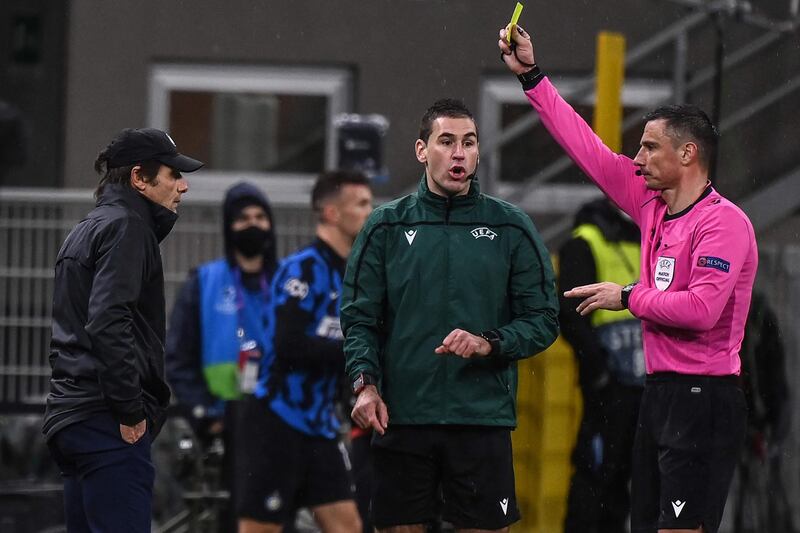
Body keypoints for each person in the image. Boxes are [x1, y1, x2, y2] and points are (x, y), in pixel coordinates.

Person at [498, 24, 757, 533]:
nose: (636, 159)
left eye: (649, 148)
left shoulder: (724, 223)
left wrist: (626, 296)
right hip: (655, 393)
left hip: (703, 398)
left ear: (688, 155)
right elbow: (587, 149)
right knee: (641, 523)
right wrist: (532, 77)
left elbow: (701, 310)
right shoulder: (649, 202)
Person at [341, 98, 560, 532]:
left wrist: (489, 342)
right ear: (422, 150)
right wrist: (365, 386)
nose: (459, 153)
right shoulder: (385, 226)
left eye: (469, 143)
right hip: (402, 419)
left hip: (480, 421)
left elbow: (544, 318)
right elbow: (359, 318)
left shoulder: (510, 226)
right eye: (447, 141)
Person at [42, 128, 203, 532]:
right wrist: (130, 410)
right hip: (108, 420)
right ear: (139, 178)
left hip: (72, 418)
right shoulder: (129, 227)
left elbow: (68, 330)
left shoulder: (85, 228)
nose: (183, 186)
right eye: (172, 174)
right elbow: (108, 320)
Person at [237, 170, 372, 533]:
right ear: (331, 213)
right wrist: (357, 352)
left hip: (320, 428)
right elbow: (289, 345)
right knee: (259, 527)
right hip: (278, 421)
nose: (369, 212)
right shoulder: (304, 269)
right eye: (361, 204)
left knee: (348, 525)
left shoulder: (355, 276)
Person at [165, 181, 278, 532]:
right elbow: (178, 359)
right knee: (232, 517)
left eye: (261, 216)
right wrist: (208, 415)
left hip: (281, 422)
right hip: (225, 425)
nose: (253, 224)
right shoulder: (204, 282)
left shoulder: (288, 281)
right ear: (228, 226)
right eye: (243, 218)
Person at [559, 198, 644, 533]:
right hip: (609, 392)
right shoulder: (585, 242)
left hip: (645, 388)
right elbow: (569, 313)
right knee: (595, 479)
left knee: (622, 485)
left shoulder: (649, 237)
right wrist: (599, 373)